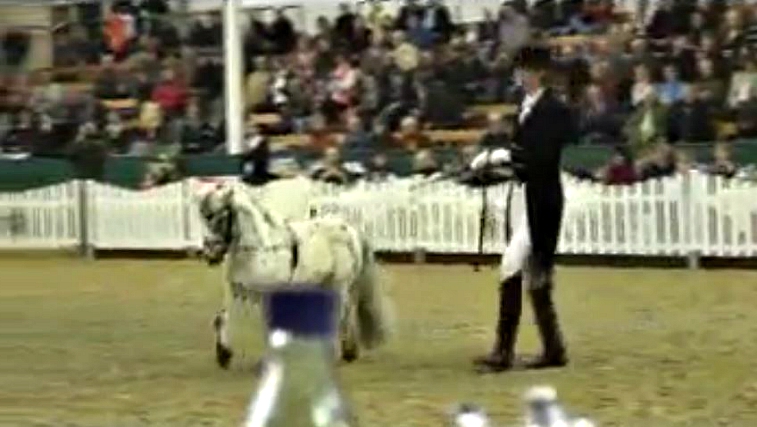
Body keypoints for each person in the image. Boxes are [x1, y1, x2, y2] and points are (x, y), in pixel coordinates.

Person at [472, 45, 575, 372]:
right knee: (535, 276)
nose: (519, 76)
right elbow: (523, 158)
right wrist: (491, 168)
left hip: (541, 200)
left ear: (539, 72)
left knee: (512, 265)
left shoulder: (553, 109)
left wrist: (505, 157)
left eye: (524, 70)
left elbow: (541, 157)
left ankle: (503, 351)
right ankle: (553, 348)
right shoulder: (526, 107)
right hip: (522, 198)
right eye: (518, 70)